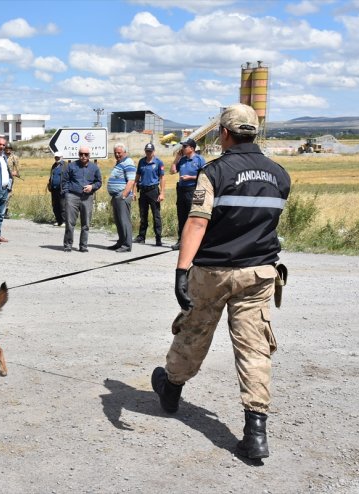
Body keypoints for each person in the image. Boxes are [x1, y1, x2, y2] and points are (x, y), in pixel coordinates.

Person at [151, 103, 291, 461]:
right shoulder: (279, 174)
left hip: (213, 272)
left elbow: (197, 221)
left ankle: (171, 389)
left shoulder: (215, 172)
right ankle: (256, 431)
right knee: (254, 348)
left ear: (224, 133)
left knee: (194, 333)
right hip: (259, 273)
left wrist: (181, 270)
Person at [61, 146, 102, 252]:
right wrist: (67, 194)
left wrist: (92, 187)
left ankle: (83, 246)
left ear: (89, 155)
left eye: (86, 154)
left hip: (87, 197)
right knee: (70, 223)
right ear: (78, 154)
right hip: (72, 197)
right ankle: (68, 245)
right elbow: (64, 180)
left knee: (86, 223)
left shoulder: (94, 168)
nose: (83, 156)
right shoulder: (71, 166)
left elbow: (99, 182)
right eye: (81, 154)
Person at [170, 137, 206, 250]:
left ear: (191, 148)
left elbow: (204, 176)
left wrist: (190, 177)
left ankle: (195, 242)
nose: (183, 148)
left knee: (194, 216)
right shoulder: (182, 159)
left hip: (193, 190)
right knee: (181, 216)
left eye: (185, 146)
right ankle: (181, 241)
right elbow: (172, 171)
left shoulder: (199, 159)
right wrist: (176, 159)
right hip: (182, 190)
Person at [106, 144, 137, 252]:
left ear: (124, 152)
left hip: (122, 195)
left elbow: (131, 180)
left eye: (119, 152)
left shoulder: (128, 162)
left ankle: (127, 245)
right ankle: (120, 242)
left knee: (124, 221)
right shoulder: (120, 163)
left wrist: (124, 195)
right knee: (118, 220)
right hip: (116, 196)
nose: (117, 155)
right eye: (115, 153)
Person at [133, 143, 165, 246]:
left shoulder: (158, 162)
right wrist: (134, 190)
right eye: (147, 151)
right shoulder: (142, 162)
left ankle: (158, 238)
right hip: (143, 191)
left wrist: (162, 193)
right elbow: (137, 177)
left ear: (153, 151)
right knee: (143, 214)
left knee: (156, 216)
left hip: (153, 191)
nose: (148, 153)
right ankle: (141, 236)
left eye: (150, 151)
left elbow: (162, 178)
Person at [47, 151, 66, 226]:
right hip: (54, 189)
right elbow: (51, 176)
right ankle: (58, 220)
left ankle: (64, 221)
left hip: (62, 189)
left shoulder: (65, 166)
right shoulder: (54, 166)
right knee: (55, 205)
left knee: (63, 205)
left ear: (61, 157)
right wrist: (49, 184)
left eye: (58, 157)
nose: (56, 158)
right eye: (55, 157)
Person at [4, 143, 21, 219]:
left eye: (9, 149)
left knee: (8, 194)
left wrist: (16, 173)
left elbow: (18, 168)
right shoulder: (1, 156)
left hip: (9, 179)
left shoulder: (14, 157)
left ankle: (5, 211)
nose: (8, 150)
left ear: (11, 149)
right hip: (0, 178)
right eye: (6, 148)